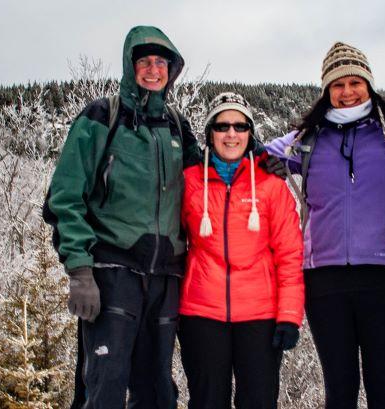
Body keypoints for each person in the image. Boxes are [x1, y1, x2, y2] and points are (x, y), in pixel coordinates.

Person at [265, 42, 385, 409]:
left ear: (368, 84)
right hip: (324, 278)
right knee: (339, 390)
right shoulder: (307, 140)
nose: (347, 93)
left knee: (383, 388)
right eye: (337, 85)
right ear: (326, 90)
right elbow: (252, 153)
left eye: (354, 82)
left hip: (384, 275)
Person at [43, 25, 200, 408]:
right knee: (105, 387)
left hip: (165, 278)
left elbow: (215, 171)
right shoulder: (102, 116)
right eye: (143, 61)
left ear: (171, 69)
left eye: (160, 62)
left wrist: (260, 161)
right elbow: (64, 197)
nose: (152, 69)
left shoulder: (178, 127)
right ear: (130, 67)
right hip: (112, 273)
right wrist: (80, 271)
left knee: (158, 391)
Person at [178, 92, 304, 409]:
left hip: (260, 316)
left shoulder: (271, 184)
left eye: (239, 126)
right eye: (222, 126)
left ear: (250, 134)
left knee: (259, 402)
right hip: (201, 314)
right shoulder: (189, 182)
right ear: (209, 133)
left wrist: (289, 315)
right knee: (207, 401)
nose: (231, 134)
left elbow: (290, 254)